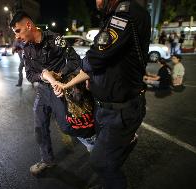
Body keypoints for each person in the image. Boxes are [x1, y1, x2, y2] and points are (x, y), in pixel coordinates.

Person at [53, 0, 151, 188]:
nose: (96, 1)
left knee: (100, 163)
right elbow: (105, 63)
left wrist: (85, 68)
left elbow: (98, 54)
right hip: (105, 109)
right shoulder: (113, 16)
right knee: (104, 160)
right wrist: (69, 84)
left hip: (120, 111)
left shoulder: (126, 12)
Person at [9, 11, 81, 176]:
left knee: (68, 126)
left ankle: (97, 145)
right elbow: (29, 74)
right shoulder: (26, 48)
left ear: (29, 25)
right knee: (40, 127)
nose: (17, 37)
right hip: (42, 92)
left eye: (18, 31)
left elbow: (75, 60)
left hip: (60, 91)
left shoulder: (55, 39)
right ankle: (47, 160)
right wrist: (43, 75)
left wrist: (60, 75)